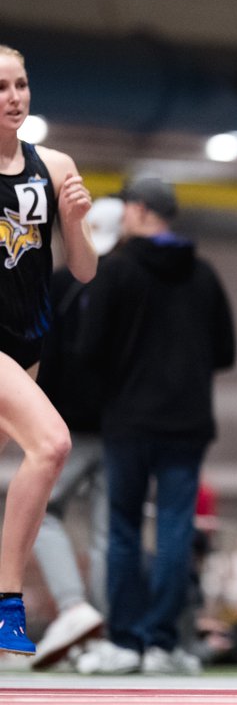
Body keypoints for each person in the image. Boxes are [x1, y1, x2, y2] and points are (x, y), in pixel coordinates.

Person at [73, 175, 236, 675]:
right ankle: (163, 645)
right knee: (174, 531)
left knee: (122, 529)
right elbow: (225, 353)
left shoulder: (116, 270)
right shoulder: (203, 274)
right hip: (186, 423)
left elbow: (87, 349)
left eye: (124, 208)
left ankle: (125, 641)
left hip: (129, 421)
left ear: (139, 210)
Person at [0, 44, 97, 656]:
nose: (14, 97)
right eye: (1, 88)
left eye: (21, 85)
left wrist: (78, 222)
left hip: (29, 345)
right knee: (52, 444)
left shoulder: (54, 165)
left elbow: (84, 272)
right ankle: (8, 600)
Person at [30, 196, 125, 669]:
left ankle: (75, 609)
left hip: (65, 425)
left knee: (39, 514)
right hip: (119, 428)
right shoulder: (129, 284)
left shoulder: (58, 284)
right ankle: (99, 633)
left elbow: (40, 354)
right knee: (110, 534)